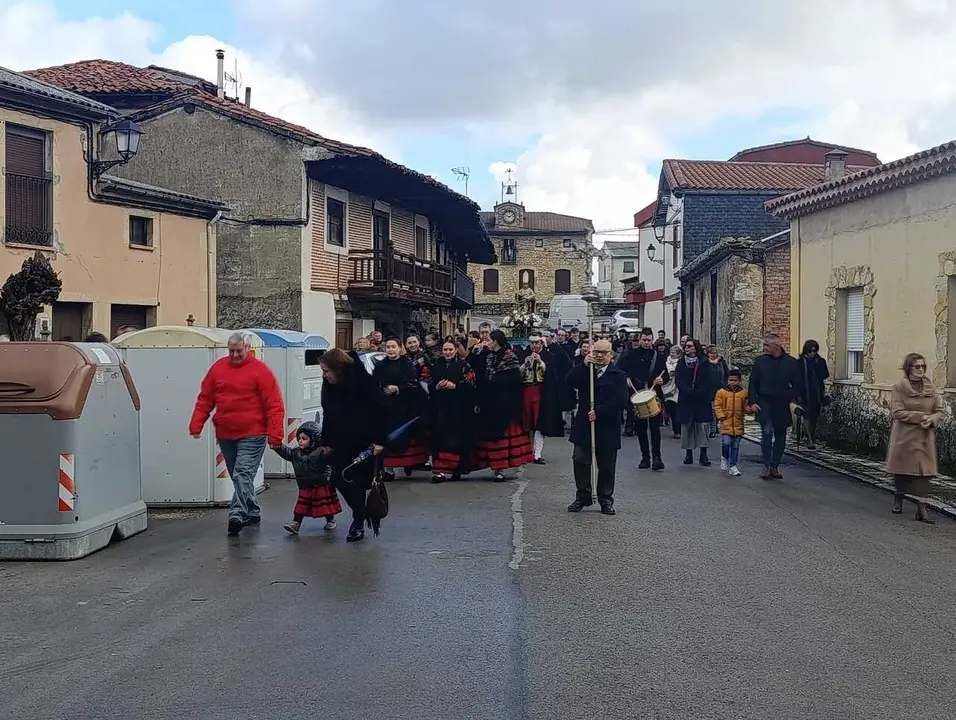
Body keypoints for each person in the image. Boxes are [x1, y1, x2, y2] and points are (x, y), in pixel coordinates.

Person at [189, 331, 285, 536]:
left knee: (242, 473)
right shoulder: (218, 369)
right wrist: (196, 424)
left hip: (254, 432)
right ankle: (252, 510)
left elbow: (274, 404)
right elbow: (205, 398)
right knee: (238, 475)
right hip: (226, 432)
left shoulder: (261, 371)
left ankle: (237, 513)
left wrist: (275, 435)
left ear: (248, 349)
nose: (234, 355)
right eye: (231, 350)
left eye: (238, 351)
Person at [319, 348, 388, 542]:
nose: (323, 375)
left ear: (338, 369)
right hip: (340, 442)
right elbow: (328, 414)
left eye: (326, 371)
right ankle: (361, 514)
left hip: (366, 443)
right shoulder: (329, 385)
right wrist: (326, 441)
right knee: (339, 479)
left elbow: (382, 411)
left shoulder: (364, 383)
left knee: (358, 482)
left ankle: (358, 521)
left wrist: (380, 441)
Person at [566, 339, 629, 515]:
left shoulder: (618, 375)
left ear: (611, 355)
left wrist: (600, 412)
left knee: (607, 465)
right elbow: (569, 381)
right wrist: (583, 365)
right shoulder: (586, 370)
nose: (599, 356)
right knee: (579, 459)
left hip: (607, 425)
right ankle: (583, 496)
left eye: (604, 353)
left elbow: (621, 401)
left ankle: (605, 499)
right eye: (597, 352)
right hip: (584, 424)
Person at [886, 353, 941, 524]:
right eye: (917, 366)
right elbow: (897, 412)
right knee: (902, 472)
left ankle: (922, 509)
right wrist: (920, 417)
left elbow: (939, 410)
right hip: (904, 436)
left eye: (923, 367)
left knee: (924, 476)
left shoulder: (930, 388)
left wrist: (932, 419)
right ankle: (899, 497)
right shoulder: (899, 388)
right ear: (908, 368)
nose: (921, 370)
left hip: (924, 438)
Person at [473, 329, 534, 481]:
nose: (487, 342)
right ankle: (494, 466)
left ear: (496, 341)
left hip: (505, 401)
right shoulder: (489, 356)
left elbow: (513, 379)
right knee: (490, 435)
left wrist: (495, 380)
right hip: (490, 401)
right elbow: (479, 371)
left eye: (490, 340)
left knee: (503, 436)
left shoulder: (509, 356)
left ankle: (501, 468)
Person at [272, 421, 342, 535]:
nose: (300, 441)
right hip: (305, 485)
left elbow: (331, 457)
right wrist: (277, 447)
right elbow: (286, 452)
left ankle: (330, 519)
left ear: (314, 440)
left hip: (321, 483)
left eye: (304, 438)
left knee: (325, 504)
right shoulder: (295, 453)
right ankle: (296, 523)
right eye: (299, 438)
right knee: (301, 506)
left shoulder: (322, 452)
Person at [373, 338, 429, 478]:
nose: (390, 350)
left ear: (399, 348)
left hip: (404, 406)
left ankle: (408, 463)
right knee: (387, 437)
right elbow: (374, 384)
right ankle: (388, 469)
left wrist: (397, 389)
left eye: (393, 347)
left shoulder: (407, 364)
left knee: (403, 436)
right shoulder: (380, 365)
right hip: (386, 407)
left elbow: (413, 384)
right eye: (388, 347)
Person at [748, 333, 799, 479]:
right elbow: (753, 382)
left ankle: (775, 465)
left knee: (780, 436)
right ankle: (766, 465)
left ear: (776, 346)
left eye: (767, 345)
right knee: (767, 432)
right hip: (764, 402)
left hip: (781, 404)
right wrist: (752, 401)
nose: (765, 348)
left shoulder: (791, 363)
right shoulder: (760, 361)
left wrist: (790, 397)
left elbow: (797, 384)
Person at [425, 340, 477, 482]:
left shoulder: (463, 365)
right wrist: (436, 387)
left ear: (455, 350)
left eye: (450, 350)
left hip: (459, 410)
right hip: (440, 408)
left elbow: (471, 385)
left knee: (457, 440)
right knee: (439, 438)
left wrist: (455, 386)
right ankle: (440, 471)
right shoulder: (437, 365)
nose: (447, 352)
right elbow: (429, 383)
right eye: (445, 350)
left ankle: (457, 469)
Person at [617, 327, 667, 470]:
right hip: (636, 394)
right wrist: (625, 378)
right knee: (641, 428)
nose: (646, 342)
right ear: (639, 340)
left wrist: (661, 379)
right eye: (644, 340)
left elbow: (665, 374)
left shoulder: (659, 356)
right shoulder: (629, 355)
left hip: (654, 395)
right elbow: (618, 371)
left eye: (649, 340)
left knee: (655, 428)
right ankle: (645, 457)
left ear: (652, 340)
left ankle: (657, 458)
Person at [520, 333, 570, 464]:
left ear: (542, 343)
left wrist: (540, 362)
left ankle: (537, 453)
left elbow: (552, 374)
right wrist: (525, 365)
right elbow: (518, 374)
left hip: (542, 392)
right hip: (526, 391)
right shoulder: (523, 354)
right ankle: (527, 451)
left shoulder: (549, 356)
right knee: (527, 423)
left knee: (539, 424)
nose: (534, 346)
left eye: (537, 343)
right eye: (532, 343)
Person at [674, 338, 715, 466]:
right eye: (686, 346)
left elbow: (709, 380)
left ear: (695, 348)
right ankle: (688, 454)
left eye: (690, 346)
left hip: (701, 400)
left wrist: (699, 392)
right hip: (686, 399)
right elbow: (678, 379)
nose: (687, 348)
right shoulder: (681, 362)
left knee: (702, 426)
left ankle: (703, 455)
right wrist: (687, 390)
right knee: (687, 427)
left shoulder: (704, 362)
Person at [714, 368, 749, 477]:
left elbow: (746, 406)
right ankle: (724, 457)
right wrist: (721, 416)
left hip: (738, 423)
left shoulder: (744, 393)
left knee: (735, 446)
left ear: (739, 381)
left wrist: (750, 410)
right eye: (730, 380)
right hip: (726, 422)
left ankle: (733, 465)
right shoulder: (721, 392)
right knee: (726, 443)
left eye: (735, 380)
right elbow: (717, 405)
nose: (732, 382)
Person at [797, 339, 830, 449]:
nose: (812, 353)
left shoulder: (820, 361)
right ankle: (809, 439)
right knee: (807, 416)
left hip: (816, 393)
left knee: (814, 417)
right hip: (804, 393)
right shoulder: (800, 362)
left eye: (814, 351)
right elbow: (796, 378)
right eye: (810, 351)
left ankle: (811, 435)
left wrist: (818, 368)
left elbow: (825, 374)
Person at [705, 345, 729, 437]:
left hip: (721, 389)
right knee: (712, 410)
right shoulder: (706, 363)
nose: (713, 355)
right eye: (711, 353)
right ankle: (713, 429)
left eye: (714, 353)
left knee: (719, 409)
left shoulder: (722, 362)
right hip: (710, 390)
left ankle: (716, 426)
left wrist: (726, 384)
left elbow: (727, 374)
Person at [661, 344, 682, 438]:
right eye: (671, 352)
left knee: (676, 411)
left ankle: (677, 430)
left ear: (679, 354)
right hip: (666, 387)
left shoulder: (681, 362)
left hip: (677, 389)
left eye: (674, 353)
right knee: (670, 408)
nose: (672, 354)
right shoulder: (666, 362)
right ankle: (666, 419)